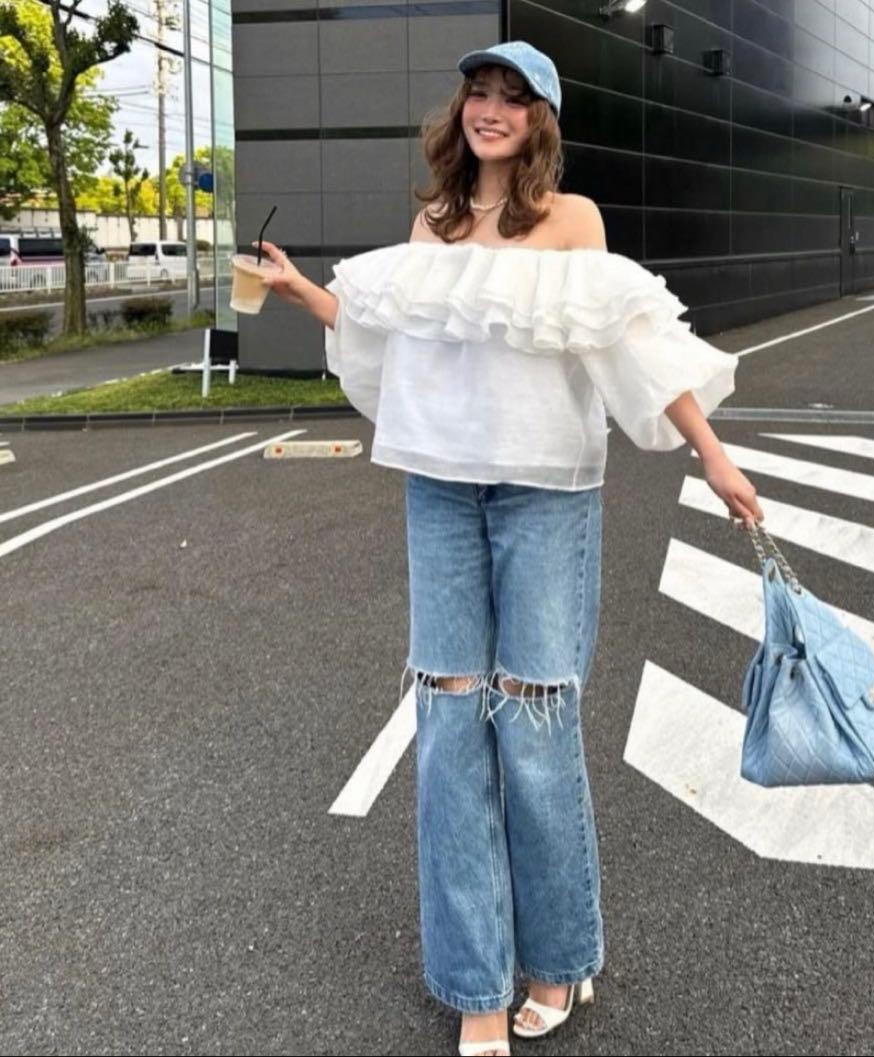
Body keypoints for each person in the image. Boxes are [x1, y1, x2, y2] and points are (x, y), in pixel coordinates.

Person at [257, 40, 764, 1057]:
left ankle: (560, 958)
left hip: (546, 495)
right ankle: (475, 983)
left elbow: (632, 343)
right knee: (449, 726)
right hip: (440, 491)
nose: (489, 109)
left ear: (541, 120)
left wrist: (713, 456)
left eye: (513, 98)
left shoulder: (573, 221)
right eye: (478, 94)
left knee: (533, 726)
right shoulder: (434, 222)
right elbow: (393, 333)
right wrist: (305, 293)